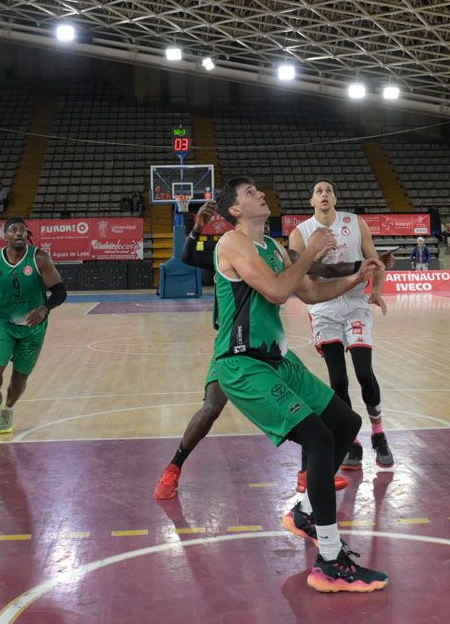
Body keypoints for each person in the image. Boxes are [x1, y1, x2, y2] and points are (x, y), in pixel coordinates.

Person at [210, 176, 388, 592]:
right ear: (236, 209)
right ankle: (329, 561)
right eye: (251, 193)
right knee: (319, 438)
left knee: (344, 423)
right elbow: (275, 291)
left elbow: (307, 292)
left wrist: (356, 278)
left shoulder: (272, 246)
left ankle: (307, 512)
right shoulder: (231, 244)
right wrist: (309, 251)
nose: (260, 195)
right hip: (243, 364)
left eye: (259, 189)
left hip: (277, 359)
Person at [153, 202, 348, 501]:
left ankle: (311, 475)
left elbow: (314, 270)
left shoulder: (274, 253)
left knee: (308, 408)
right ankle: (174, 467)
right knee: (211, 409)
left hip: (268, 350)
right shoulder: (232, 248)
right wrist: (196, 228)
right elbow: (189, 256)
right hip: (233, 348)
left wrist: (359, 268)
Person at [289, 182, 396, 470]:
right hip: (324, 307)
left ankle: (378, 432)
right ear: (311, 200)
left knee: (364, 372)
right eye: (318, 191)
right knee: (338, 379)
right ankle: (351, 439)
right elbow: (302, 275)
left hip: (355, 304)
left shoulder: (355, 222)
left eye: (329, 190)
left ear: (335, 197)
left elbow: (375, 260)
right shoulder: (300, 234)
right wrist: (320, 253)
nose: (324, 194)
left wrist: (377, 292)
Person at [0, 217, 65, 436]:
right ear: (5, 236)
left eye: (23, 230)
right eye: (14, 230)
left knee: (19, 378)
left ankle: (8, 409)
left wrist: (45, 308)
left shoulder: (39, 258)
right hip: (4, 326)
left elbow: (60, 291)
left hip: (33, 330)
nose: (20, 233)